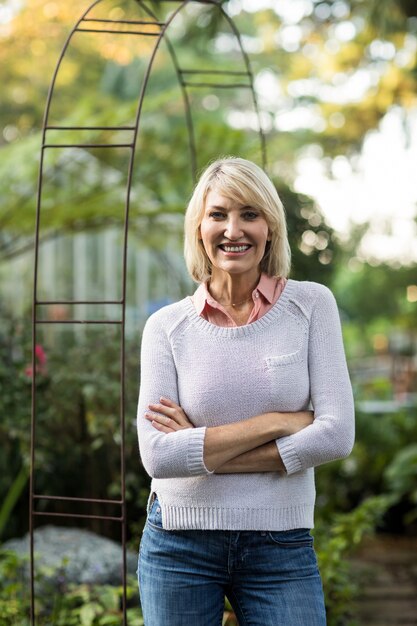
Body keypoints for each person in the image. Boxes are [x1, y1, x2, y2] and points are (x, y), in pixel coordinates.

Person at [136, 157, 355, 626]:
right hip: (180, 542)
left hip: (280, 543)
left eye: (249, 214)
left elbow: (336, 435)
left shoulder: (312, 306)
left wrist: (201, 447)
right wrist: (278, 423)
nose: (233, 229)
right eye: (218, 214)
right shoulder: (166, 327)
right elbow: (158, 457)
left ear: (271, 228)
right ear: (199, 228)